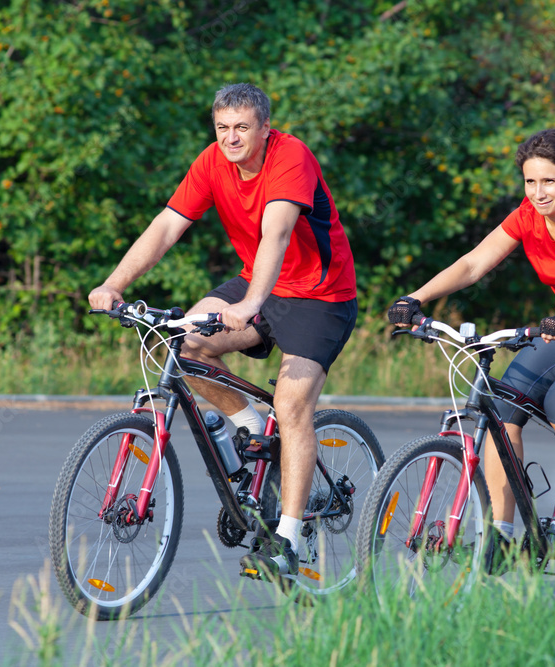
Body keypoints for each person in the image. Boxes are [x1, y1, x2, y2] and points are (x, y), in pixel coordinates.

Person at [89, 83, 358, 580]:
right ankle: (251, 430)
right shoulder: (212, 161)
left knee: (293, 404)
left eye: (241, 128)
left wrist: (252, 304)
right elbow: (167, 226)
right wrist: (113, 284)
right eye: (222, 128)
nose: (230, 138)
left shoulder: (290, 156)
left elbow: (277, 232)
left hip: (321, 296)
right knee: (181, 343)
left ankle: (288, 539)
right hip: (258, 281)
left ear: (263, 128)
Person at [388, 128, 555, 570]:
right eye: (530, 182)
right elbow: (474, 262)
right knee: (502, 407)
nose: (538, 192)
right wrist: (415, 298)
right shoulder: (527, 216)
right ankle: (503, 535)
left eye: (548, 181)